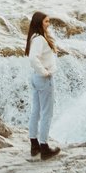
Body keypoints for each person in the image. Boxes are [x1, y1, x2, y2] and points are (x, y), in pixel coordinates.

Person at [26, 11, 61, 159]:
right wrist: (44, 72)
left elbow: (33, 57)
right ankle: (44, 148)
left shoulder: (34, 37)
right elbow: (33, 58)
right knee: (47, 114)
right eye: (46, 21)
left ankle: (34, 145)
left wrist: (40, 72)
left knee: (36, 111)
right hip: (43, 79)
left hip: (36, 78)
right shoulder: (39, 39)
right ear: (39, 22)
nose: (48, 24)